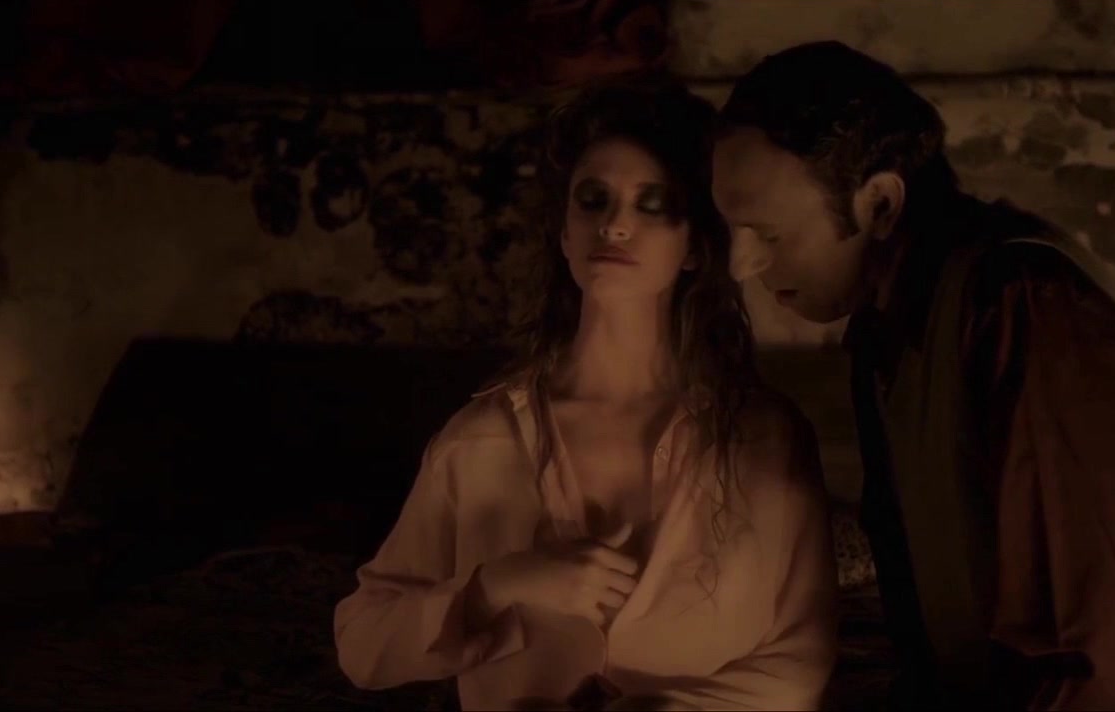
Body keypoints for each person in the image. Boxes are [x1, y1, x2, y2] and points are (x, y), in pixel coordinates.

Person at [712, 41, 1115, 711]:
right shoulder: (883, 334)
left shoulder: (1025, 302)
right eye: (732, 230)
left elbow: (1096, 647)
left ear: (879, 204)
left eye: (767, 234)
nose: (741, 265)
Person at [334, 74, 839, 712]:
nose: (615, 225)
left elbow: (800, 662)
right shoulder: (482, 440)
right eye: (593, 200)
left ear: (693, 247)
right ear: (565, 233)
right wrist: (496, 587)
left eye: (652, 204)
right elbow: (362, 643)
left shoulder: (763, 436)